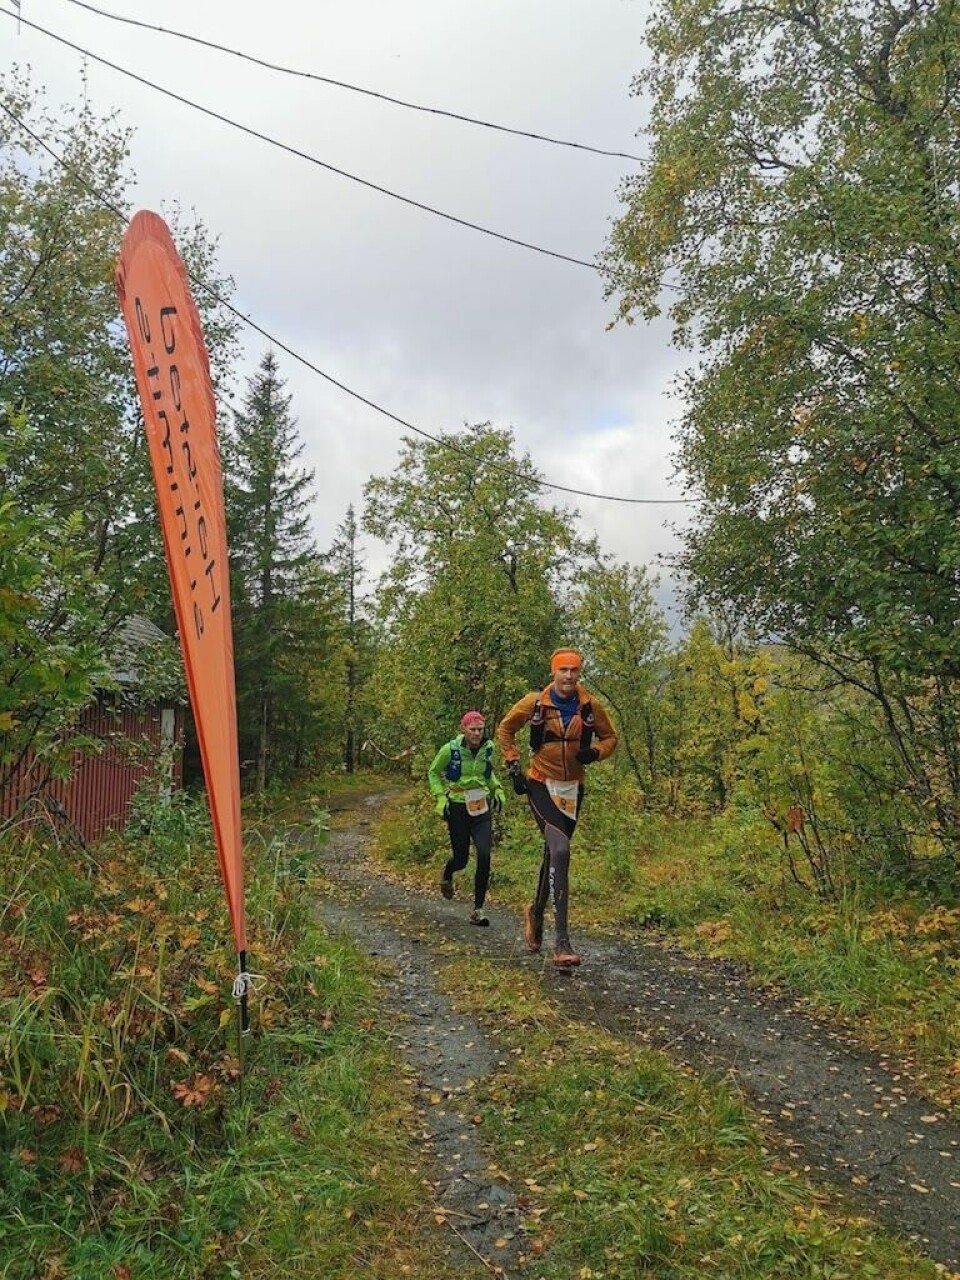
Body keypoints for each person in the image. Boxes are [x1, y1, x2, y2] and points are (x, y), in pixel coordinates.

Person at [497, 649, 618, 967]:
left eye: (574, 670)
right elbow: (505, 729)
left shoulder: (590, 705)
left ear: (580, 673)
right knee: (561, 850)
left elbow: (610, 738)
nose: (569, 675)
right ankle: (562, 943)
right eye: (563, 670)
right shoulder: (535, 702)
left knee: (554, 854)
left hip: (573, 788)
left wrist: (595, 753)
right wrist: (513, 765)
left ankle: (535, 912)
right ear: (553, 672)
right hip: (541, 784)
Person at [428, 711, 506, 926]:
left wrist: (497, 789)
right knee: (461, 859)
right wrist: (440, 798)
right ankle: (448, 873)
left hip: (481, 807)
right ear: (463, 729)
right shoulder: (450, 750)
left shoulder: (488, 748)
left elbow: (487, 773)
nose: (477, 734)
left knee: (484, 854)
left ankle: (478, 909)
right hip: (458, 806)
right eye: (473, 730)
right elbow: (433, 772)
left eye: (480, 729)